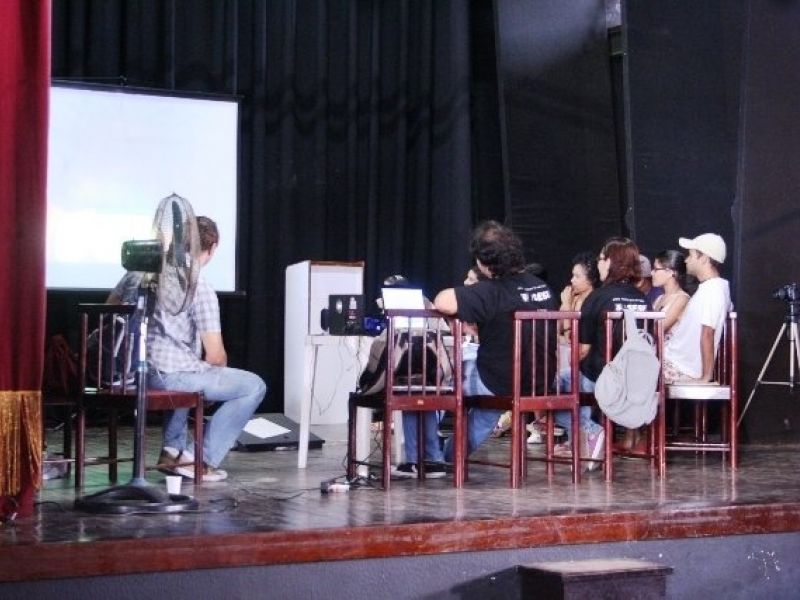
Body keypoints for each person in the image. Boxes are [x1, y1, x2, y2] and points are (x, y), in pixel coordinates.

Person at [392, 221, 557, 478]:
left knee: (422, 380)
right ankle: (445, 460)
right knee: (480, 415)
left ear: (482, 262)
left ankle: (427, 460)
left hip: (496, 381)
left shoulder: (491, 291)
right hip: (539, 381)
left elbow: (442, 301)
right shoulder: (542, 287)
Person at [139, 216, 267, 482]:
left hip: (131, 376)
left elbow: (112, 308)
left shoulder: (139, 273)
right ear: (213, 247)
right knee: (253, 386)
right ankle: (199, 459)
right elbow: (215, 355)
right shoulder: (198, 284)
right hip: (168, 379)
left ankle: (172, 451)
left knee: (189, 371)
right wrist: (213, 380)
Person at [554, 237, 648, 470]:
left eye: (602, 258)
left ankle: (590, 431)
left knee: (548, 386)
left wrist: (572, 364)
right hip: (637, 380)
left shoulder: (597, 298)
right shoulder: (643, 300)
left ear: (611, 262)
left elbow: (582, 350)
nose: (599, 263)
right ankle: (585, 439)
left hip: (602, 378)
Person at [663, 233, 732, 383]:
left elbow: (708, 333)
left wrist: (706, 377)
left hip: (677, 366)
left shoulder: (713, 290)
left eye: (690, 255)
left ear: (704, 258)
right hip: (672, 360)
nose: (686, 260)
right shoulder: (711, 288)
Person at [651, 249, 691, 335]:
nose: (652, 273)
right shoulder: (659, 299)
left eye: (656, 269)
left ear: (670, 272)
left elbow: (658, 329)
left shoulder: (682, 299)